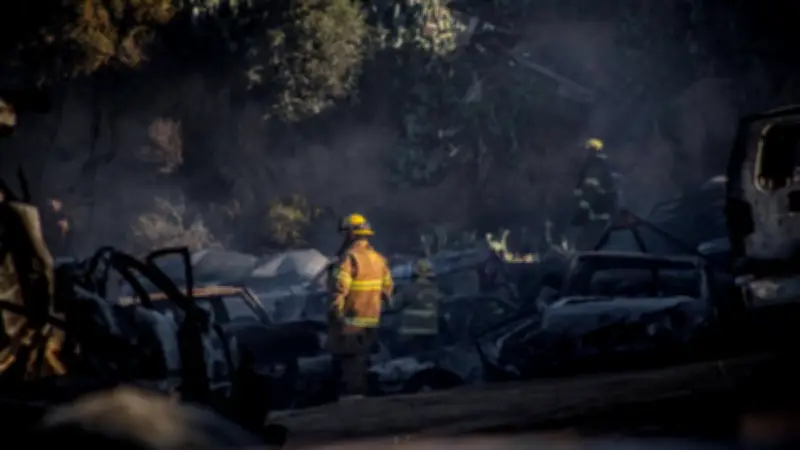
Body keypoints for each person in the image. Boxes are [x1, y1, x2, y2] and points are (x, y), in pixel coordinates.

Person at [327, 213, 393, 401]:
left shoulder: (350, 258)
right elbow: (388, 290)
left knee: (350, 362)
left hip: (350, 322)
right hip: (371, 321)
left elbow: (339, 289)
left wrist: (335, 313)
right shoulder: (379, 259)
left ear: (350, 234)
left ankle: (353, 400)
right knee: (363, 361)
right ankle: (364, 395)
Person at [571, 138, 619, 249]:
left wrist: (581, 213)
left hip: (597, 215)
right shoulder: (601, 166)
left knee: (588, 246)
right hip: (601, 215)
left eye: (588, 150)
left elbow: (590, 192)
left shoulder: (595, 167)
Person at [395, 259, 443, 353]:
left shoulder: (408, 290)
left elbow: (393, 305)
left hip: (413, 332)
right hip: (431, 330)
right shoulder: (435, 289)